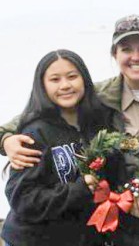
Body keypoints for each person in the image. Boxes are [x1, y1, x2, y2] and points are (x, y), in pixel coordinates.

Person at [0, 15, 139, 246]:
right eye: (125, 49)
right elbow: (28, 119)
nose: (136, 56)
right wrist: (5, 139)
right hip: (57, 235)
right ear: (114, 54)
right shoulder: (102, 97)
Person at [0, 50, 117, 246]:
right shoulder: (34, 134)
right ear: (42, 86)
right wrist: (79, 190)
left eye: (72, 76)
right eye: (55, 79)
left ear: (84, 80)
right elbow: (23, 200)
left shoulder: (98, 124)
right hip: (35, 240)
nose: (65, 85)